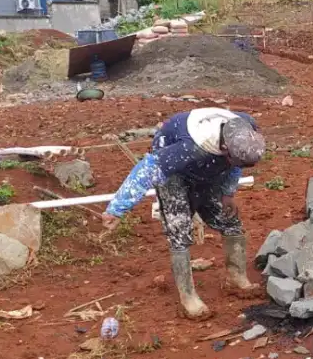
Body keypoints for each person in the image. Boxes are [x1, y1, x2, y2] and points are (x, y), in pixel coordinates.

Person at [102, 108, 265, 319]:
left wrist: (227, 194)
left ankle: (237, 278)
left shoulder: (245, 130)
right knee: (179, 229)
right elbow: (147, 170)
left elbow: (234, 167)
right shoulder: (188, 149)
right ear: (225, 148)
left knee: (229, 220)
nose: (239, 166)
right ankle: (188, 297)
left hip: (208, 166)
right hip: (173, 172)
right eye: (236, 160)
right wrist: (116, 209)